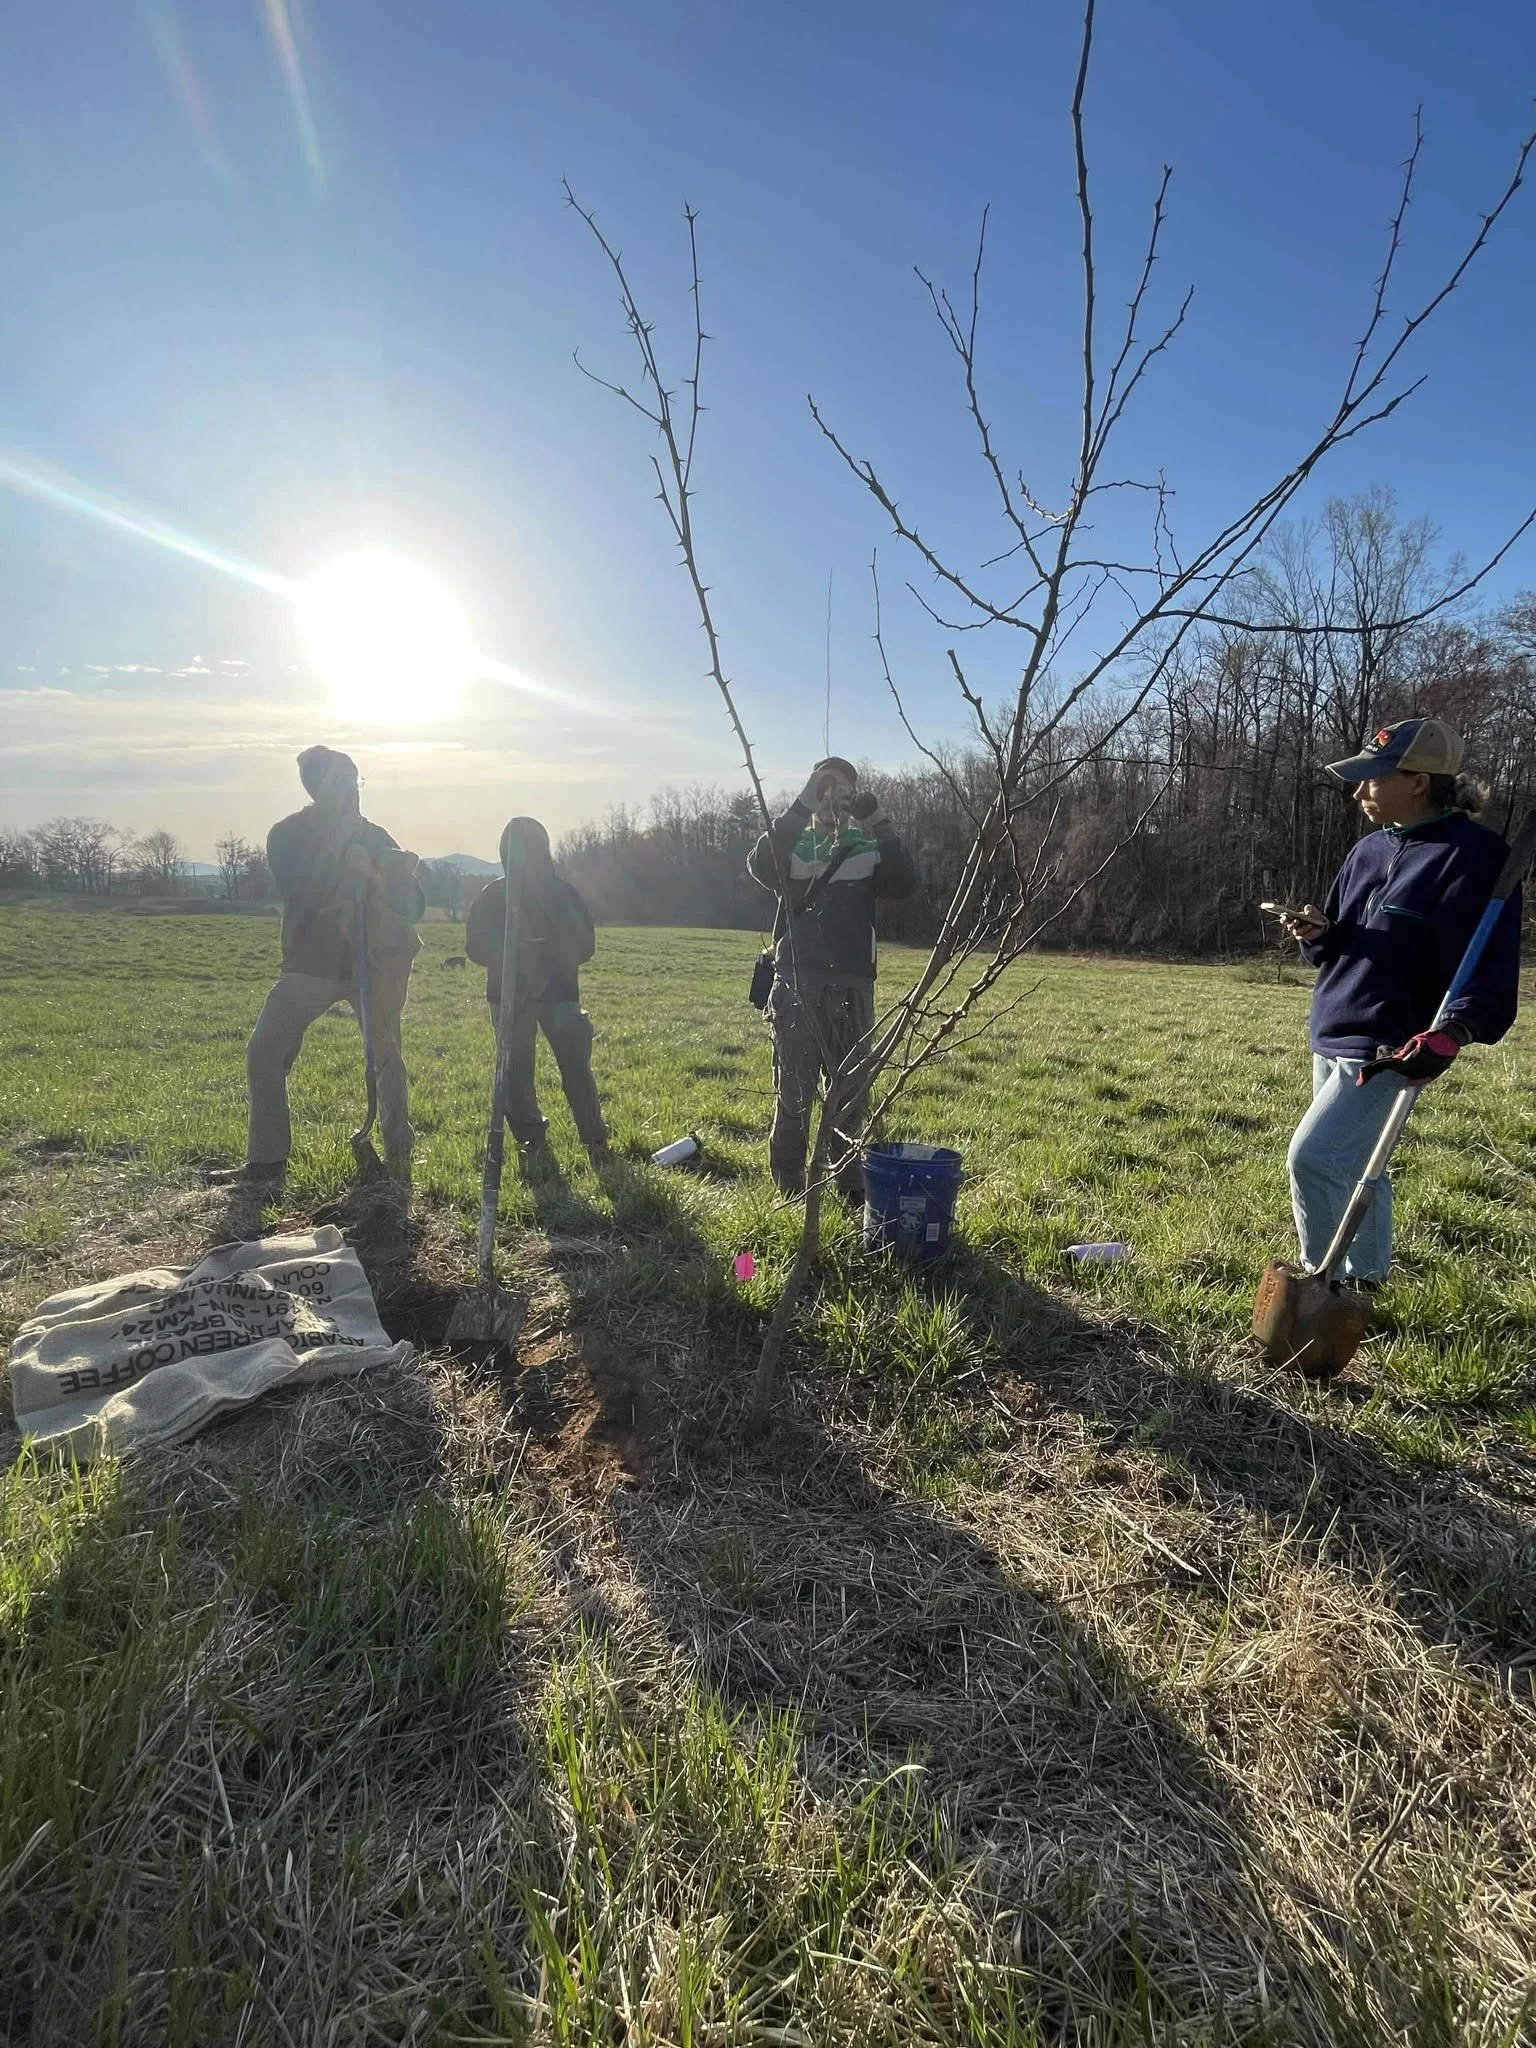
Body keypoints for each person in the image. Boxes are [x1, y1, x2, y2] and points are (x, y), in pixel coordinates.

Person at [1278, 717, 1521, 1285]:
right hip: (1332, 1026)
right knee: (1360, 1164)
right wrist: (1319, 934)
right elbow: (1345, 939)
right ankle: (1365, 1284)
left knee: (1315, 1159)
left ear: (1417, 781)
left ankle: (1322, 1287)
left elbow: (1489, 963)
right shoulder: (1367, 849)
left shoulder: (1473, 856)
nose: (1359, 792)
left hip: (1392, 1043)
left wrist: (1456, 1030)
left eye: (1373, 779)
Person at [215, 746, 425, 1189]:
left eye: (355, 779)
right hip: (309, 965)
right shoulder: (288, 835)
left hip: (370, 967)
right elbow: (300, 890)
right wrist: (339, 854)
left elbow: (416, 906)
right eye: (339, 781)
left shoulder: (375, 837)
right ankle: (267, 1161)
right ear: (314, 788)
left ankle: (398, 1152)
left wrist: (375, 875)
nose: (351, 789)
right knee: (264, 1050)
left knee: (387, 1056)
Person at [747, 756, 916, 1197]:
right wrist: (800, 806)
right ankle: (789, 1186)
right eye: (824, 786)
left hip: (854, 981)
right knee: (793, 1089)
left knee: (851, 1092)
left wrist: (877, 820)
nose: (832, 797)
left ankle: (849, 1184)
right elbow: (761, 865)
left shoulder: (865, 847)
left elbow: (904, 882)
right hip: (798, 978)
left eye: (842, 790)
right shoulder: (793, 842)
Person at [464, 817, 610, 1168]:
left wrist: (545, 963)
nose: (525, 859)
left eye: (532, 850)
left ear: (544, 852)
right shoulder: (493, 896)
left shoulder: (562, 894)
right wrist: (509, 953)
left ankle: (595, 1139)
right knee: (515, 1072)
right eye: (517, 852)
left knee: (576, 1069)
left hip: (560, 996)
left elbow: (585, 945)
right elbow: (475, 948)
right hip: (508, 997)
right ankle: (531, 1140)